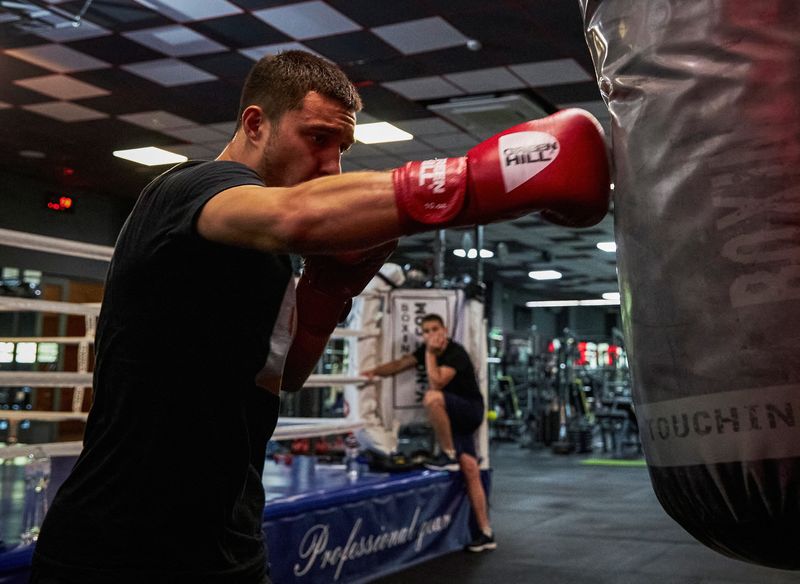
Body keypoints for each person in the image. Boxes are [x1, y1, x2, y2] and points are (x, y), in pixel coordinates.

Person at [29, 48, 609, 582]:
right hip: (114, 546)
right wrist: (468, 182)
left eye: (343, 148)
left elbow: (280, 377)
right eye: (315, 138)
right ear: (256, 124)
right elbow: (294, 217)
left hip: (225, 539)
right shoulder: (192, 190)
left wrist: (328, 294)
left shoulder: (270, 258)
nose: (331, 165)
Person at [361, 314, 496, 553]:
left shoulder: (456, 352)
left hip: (469, 411)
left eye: (435, 328)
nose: (431, 334)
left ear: (444, 330)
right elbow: (400, 364)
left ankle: (448, 453)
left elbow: (436, 383)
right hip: (452, 416)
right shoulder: (426, 349)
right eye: (426, 331)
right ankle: (486, 532)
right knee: (471, 469)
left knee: (432, 398)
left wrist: (431, 354)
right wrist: (373, 371)